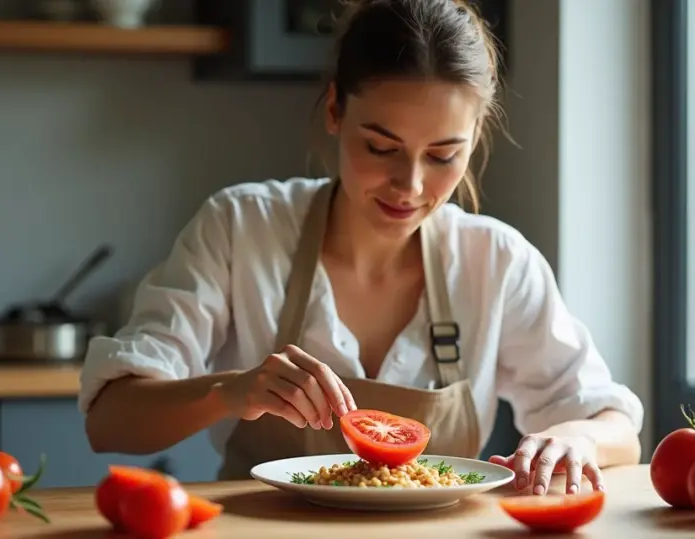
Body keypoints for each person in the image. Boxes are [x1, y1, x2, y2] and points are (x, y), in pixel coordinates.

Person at [79, 0, 644, 496]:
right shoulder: (241, 227)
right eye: (380, 147)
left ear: (474, 142)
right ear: (334, 111)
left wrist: (574, 439)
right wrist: (233, 390)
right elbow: (110, 422)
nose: (411, 185)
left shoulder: (495, 261)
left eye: (444, 155)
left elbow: (615, 426)